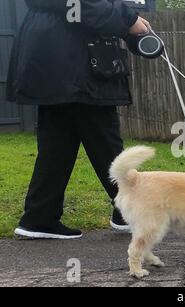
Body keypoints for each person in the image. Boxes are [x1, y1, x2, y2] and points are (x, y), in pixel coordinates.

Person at [6, 0, 151, 239]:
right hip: (75, 61)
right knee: (104, 138)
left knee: (58, 142)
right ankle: (130, 211)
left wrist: (126, 24)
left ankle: (39, 217)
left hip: (56, 56)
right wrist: (128, 19)